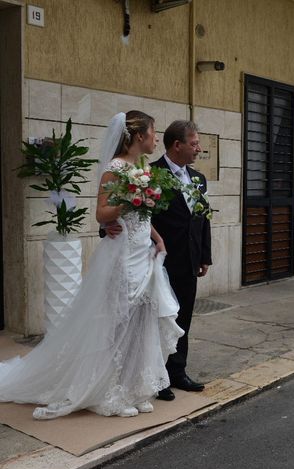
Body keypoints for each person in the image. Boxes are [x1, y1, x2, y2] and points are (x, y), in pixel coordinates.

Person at [0, 111, 184, 419]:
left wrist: (157, 236)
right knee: (118, 324)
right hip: (123, 256)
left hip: (144, 254)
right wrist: (131, 198)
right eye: (153, 133)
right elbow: (101, 214)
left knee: (141, 322)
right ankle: (111, 392)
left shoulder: (142, 168)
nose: (156, 138)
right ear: (139, 136)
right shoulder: (115, 168)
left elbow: (143, 214)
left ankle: (135, 388)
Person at [151, 120, 212, 401]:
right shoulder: (151, 174)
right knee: (158, 321)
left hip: (189, 261)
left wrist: (204, 256)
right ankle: (157, 377)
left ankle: (178, 372)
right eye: (194, 143)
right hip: (160, 263)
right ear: (178, 145)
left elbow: (203, 219)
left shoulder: (198, 178)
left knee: (183, 319)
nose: (198, 148)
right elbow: (139, 217)